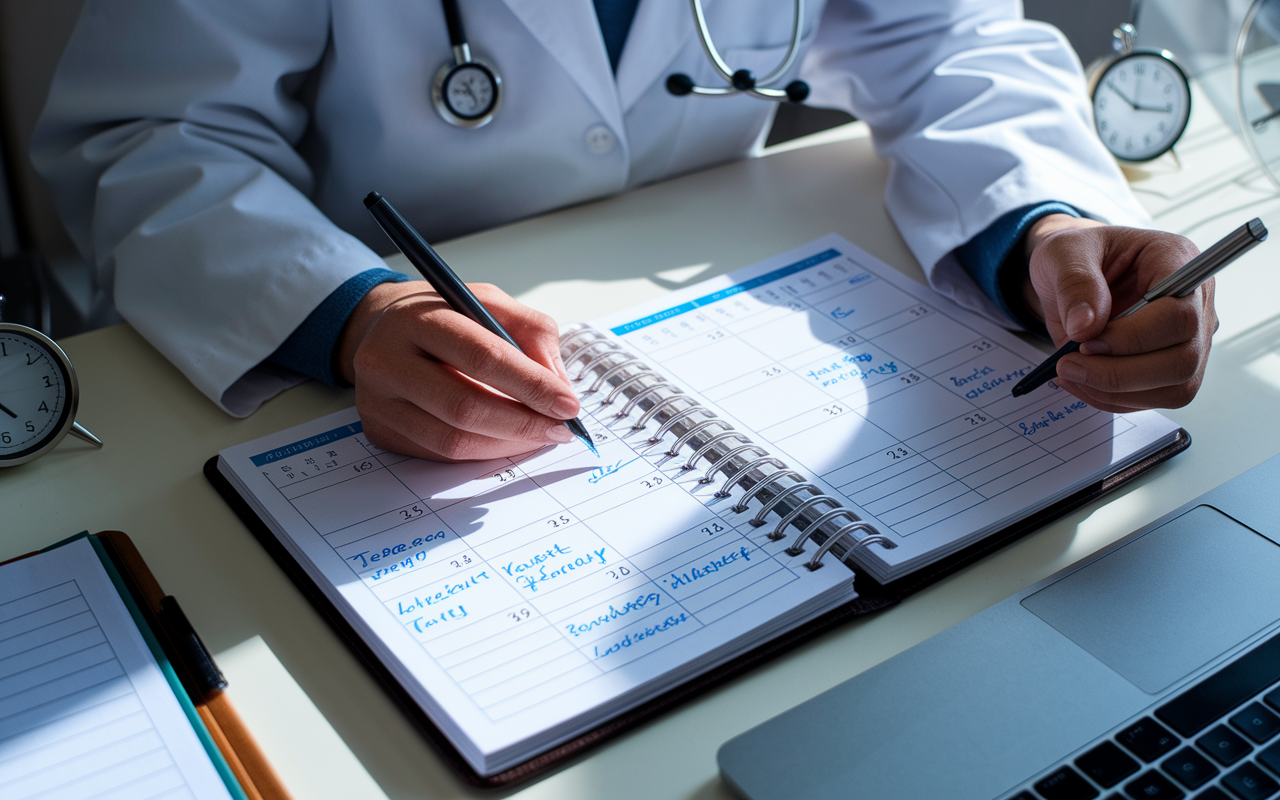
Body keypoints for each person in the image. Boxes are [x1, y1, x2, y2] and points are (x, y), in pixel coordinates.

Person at [31, 0, 1214, 462]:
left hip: (718, 304)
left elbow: (936, 37)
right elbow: (151, 136)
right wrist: (351, 313)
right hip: (374, 372)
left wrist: (1040, 219)